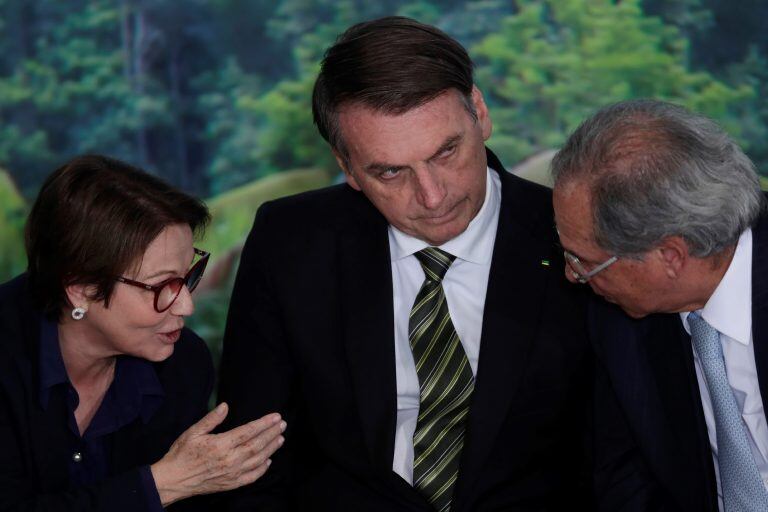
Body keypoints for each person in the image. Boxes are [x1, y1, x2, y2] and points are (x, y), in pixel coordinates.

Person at [219, 16, 592, 511]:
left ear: (479, 113)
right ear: (347, 167)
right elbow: (252, 456)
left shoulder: (576, 235)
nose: (432, 196)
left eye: (446, 152)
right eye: (390, 171)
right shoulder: (291, 242)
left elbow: (624, 456)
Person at [0, 155, 286, 511]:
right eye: (162, 285)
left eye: (186, 278)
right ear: (81, 288)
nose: (185, 306)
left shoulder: (183, 362)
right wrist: (163, 484)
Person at [551, 99, 768, 511]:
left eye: (586, 262)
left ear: (670, 256)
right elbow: (625, 480)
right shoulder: (619, 322)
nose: (571, 275)